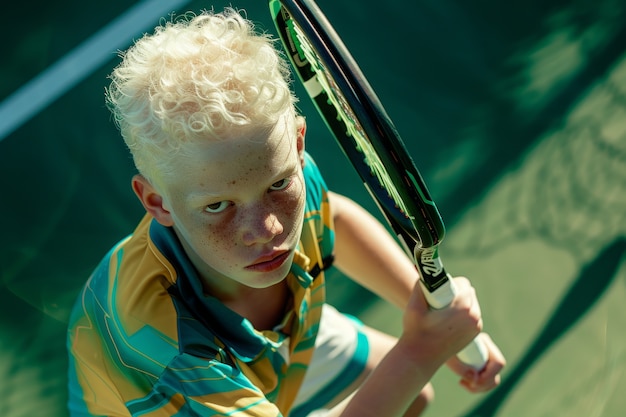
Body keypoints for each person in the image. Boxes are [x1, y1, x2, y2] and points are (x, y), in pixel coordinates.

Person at [67, 8, 505, 417]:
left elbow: (333, 219)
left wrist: (434, 319)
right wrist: (421, 351)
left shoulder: (275, 172)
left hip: (278, 348)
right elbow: (413, 360)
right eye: (217, 206)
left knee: (411, 397)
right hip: (178, 398)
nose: (267, 228)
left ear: (296, 145)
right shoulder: (162, 348)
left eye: (279, 185)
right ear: (156, 202)